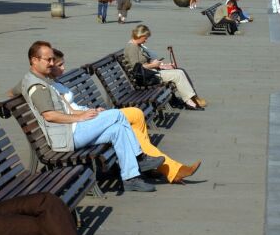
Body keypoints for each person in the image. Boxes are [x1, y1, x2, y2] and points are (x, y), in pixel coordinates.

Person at [21, 41, 162, 192]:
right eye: (47, 60)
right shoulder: (38, 87)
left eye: (52, 59)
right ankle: (140, 158)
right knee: (117, 114)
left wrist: (85, 113)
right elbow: (49, 115)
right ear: (34, 60)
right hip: (68, 136)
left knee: (118, 129)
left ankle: (130, 178)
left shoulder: (39, 79)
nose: (51, 63)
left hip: (72, 130)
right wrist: (79, 118)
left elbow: (63, 108)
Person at [47, 48, 201, 184]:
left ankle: (147, 162)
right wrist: (85, 114)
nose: (64, 68)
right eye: (60, 65)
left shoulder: (58, 82)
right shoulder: (48, 86)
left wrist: (92, 109)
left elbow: (73, 107)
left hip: (86, 117)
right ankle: (168, 169)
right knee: (123, 123)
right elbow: (64, 113)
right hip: (79, 126)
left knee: (136, 113)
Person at [124, 24, 206, 110]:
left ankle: (190, 100)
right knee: (178, 74)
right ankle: (189, 102)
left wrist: (163, 65)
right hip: (146, 78)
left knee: (179, 71)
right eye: (145, 38)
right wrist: (153, 65)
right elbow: (136, 68)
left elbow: (143, 63)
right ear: (140, 36)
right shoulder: (132, 47)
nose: (146, 40)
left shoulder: (137, 45)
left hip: (149, 73)